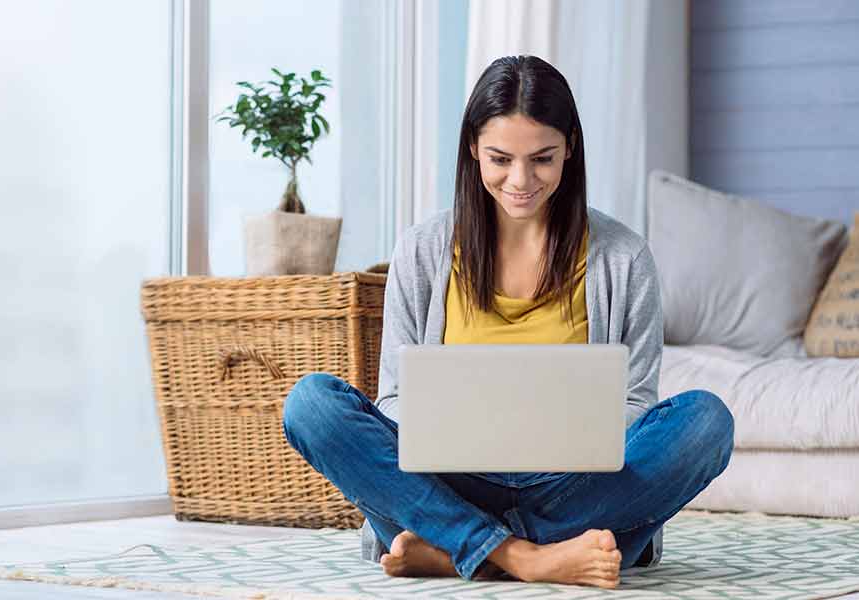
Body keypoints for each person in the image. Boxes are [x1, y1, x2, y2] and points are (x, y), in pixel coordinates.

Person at [282, 55, 734, 589]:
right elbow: (396, 398)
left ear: (570, 147)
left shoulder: (624, 258)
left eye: (542, 158)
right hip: (450, 483)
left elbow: (635, 403)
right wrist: (447, 443)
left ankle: (458, 550)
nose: (520, 180)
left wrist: (569, 443)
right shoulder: (424, 249)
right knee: (312, 404)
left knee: (706, 422)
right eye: (500, 158)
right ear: (472, 148)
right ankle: (532, 557)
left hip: (572, 485)